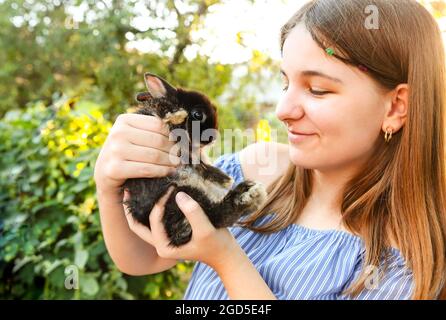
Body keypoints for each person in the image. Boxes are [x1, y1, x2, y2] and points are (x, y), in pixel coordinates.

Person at [94, 0, 446, 299]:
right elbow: (147, 258)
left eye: (318, 89)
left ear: (397, 107)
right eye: (285, 82)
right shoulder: (247, 171)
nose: (282, 110)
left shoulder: (402, 265)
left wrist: (227, 258)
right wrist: (109, 182)